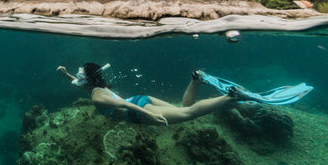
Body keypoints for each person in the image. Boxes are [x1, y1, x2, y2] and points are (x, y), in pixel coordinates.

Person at [57, 63, 250, 126]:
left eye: (80, 74)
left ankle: (231, 97)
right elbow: (76, 82)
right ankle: (195, 80)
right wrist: (65, 74)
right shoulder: (92, 86)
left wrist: (151, 115)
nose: (78, 77)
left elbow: (125, 106)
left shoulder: (96, 96)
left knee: (189, 114)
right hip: (141, 99)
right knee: (184, 109)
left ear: (88, 79)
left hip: (137, 110)